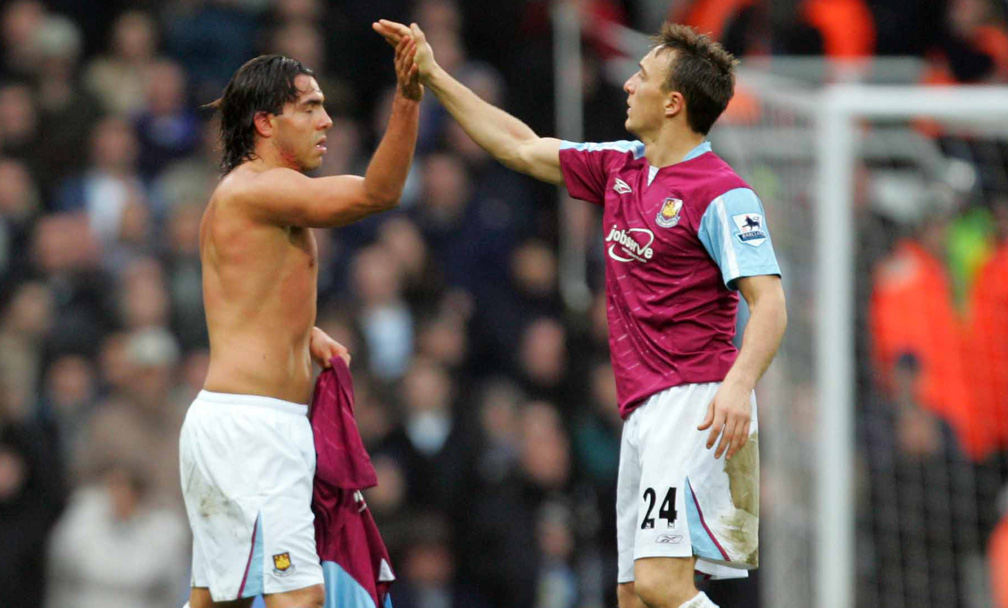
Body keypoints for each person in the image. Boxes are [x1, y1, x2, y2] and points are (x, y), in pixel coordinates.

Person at [374, 19, 786, 608]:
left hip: (696, 404)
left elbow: (769, 301)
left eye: (640, 77)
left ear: (672, 103)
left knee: (660, 585)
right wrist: (436, 75)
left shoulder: (722, 194)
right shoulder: (620, 167)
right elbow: (517, 144)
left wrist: (739, 386)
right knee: (631, 597)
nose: (627, 86)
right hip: (644, 411)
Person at [179, 31, 422, 608]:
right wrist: (408, 96)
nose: (327, 121)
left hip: (243, 424)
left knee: (217, 600)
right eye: (310, 107)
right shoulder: (256, 191)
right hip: (252, 430)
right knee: (299, 598)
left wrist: (299, 332)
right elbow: (377, 194)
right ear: (265, 123)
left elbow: (242, 292)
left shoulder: (251, 197)